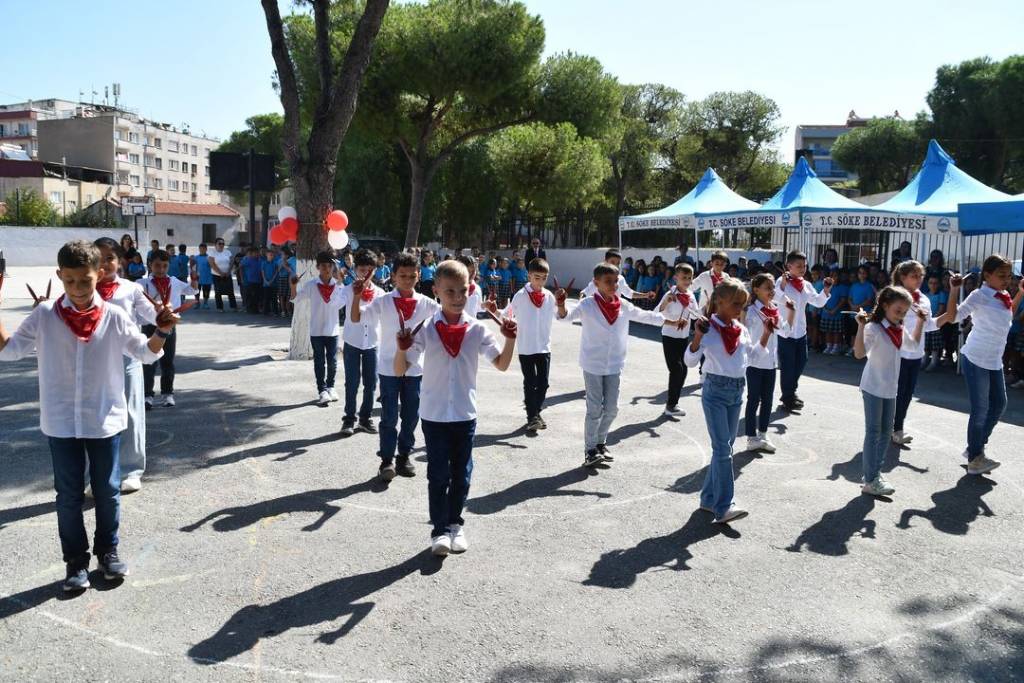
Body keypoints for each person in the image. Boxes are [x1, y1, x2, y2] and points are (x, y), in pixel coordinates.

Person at [0, 240, 178, 591]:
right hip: (61, 421)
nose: (78, 290)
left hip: (103, 418)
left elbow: (144, 354)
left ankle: (108, 552)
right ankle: (75, 563)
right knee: (67, 495)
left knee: (107, 490)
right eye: (70, 281)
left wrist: (162, 331)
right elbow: (10, 352)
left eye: (85, 280)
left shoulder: (113, 316)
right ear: (59, 277)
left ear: (100, 275)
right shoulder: (45, 315)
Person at [395, 259, 517, 557]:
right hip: (435, 413)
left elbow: (501, 365)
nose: (457, 297)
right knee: (438, 473)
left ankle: (455, 524)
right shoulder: (425, 329)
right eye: (449, 291)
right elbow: (400, 370)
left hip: (464, 413)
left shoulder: (476, 329)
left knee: (461, 473)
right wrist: (400, 348)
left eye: (463, 290)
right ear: (436, 290)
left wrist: (510, 339)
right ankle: (439, 530)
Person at [557, 262, 665, 468]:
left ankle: (600, 442)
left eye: (616, 281)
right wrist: (561, 305)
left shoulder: (623, 305)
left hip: (615, 365)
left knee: (612, 409)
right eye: (608, 281)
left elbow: (646, 316)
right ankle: (590, 449)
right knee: (594, 409)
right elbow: (566, 318)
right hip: (593, 364)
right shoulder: (587, 304)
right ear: (596, 283)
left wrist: (670, 320)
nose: (614, 285)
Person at [684, 277, 768, 524]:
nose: (739, 309)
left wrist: (765, 334)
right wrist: (697, 337)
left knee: (725, 448)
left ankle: (708, 499)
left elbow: (752, 356)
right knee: (722, 450)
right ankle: (725, 506)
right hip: (715, 391)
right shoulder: (707, 327)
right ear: (719, 302)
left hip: (737, 391)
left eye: (742, 305)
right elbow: (689, 361)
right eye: (735, 304)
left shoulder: (740, 330)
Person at [351, 252, 440, 480]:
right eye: (402, 275)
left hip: (415, 369)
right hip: (389, 369)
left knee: (411, 416)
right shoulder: (382, 302)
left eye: (412, 276)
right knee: (389, 416)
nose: (407, 280)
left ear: (419, 276)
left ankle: (404, 456)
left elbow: (445, 323)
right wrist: (356, 297)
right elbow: (356, 318)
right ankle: (387, 460)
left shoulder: (428, 304)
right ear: (393, 276)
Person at [92, 237, 158, 493]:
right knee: (94, 415)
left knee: (131, 413)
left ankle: (131, 470)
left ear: (119, 261)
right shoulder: (84, 287)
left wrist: (163, 313)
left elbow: (152, 314)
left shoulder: (130, 289)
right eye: (99, 257)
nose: (105, 263)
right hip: (92, 360)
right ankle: (94, 474)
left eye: (110, 257)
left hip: (127, 358)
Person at [955, 254, 1024, 476]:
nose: (1006, 280)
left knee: (999, 405)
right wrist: (955, 289)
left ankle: (975, 449)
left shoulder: (1002, 295)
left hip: (993, 360)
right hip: (976, 359)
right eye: (1001, 275)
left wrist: (1021, 293)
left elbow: (1008, 317)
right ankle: (976, 457)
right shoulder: (979, 295)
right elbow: (956, 315)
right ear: (987, 275)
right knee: (981, 409)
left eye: (1009, 276)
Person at [853, 286, 926, 497]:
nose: (901, 315)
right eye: (898, 310)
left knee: (886, 432)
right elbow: (859, 354)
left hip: (890, 388)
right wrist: (860, 327)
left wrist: (920, 321)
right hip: (873, 386)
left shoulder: (898, 329)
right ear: (885, 305)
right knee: (874, 431)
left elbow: (912, 347)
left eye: (904, 312)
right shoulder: (874, 328)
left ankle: (875, 473)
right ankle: (870, 478)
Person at [889, 260, 961, 445]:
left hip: (915, 353)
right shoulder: (892, 296)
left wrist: (947, 316)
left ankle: (897, 429)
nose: (919, 279)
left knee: (906, 393)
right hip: (896, 352)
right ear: (903, 277)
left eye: (921, 276)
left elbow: (929, 325)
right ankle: (885, 427)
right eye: (914, 276)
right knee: (892, 392)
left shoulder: (924, 299)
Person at [502, 257, 557, 432]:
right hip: (526, 347)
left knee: (544, 383)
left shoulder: (549, 296)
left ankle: (535, 413)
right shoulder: (520, 295)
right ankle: (532, 416)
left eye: (543, 278)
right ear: (529, 275)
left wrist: (562, 303)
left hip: (544, 346)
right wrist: (499, 314)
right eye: (536, 277)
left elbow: (560, 314)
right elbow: (507, 314)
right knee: (530, 382)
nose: (540, 281)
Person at [743, 273, 796, 454]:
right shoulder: (751, 311)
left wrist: (792, 312)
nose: (772, 291)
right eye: (768, 288)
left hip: (771, 363)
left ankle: (763, 434)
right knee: (753, 400)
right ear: (756, 290)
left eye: (773, 288)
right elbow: (745, 335)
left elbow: (786, 332)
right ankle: (751, 437)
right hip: (754, 362)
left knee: (768, 400)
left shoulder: (774, 309)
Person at [138, 250, 197, 409]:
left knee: (168, 361)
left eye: (165, 266)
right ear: (150, 265)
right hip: (150, 325)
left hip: (169, 325)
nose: (161, 269)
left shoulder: (175, 282)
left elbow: (192, 291)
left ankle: (167, 394)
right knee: (148, 361)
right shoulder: (141, 284)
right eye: (157, 265)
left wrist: (194, 277)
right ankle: (147, 395)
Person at [774, 250, 832, 411]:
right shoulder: (781, 281)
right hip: (785, 331)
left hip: (801, 331)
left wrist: (826, 290)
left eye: (804, 265)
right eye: (798, 265)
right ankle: (788, 396)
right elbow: (774, 297)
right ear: (789, 266)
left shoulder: (806, 285)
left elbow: (818, 302)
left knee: (801, 362)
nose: (802, 269)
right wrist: (784, 286)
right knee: (787, 366)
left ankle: (790, 392)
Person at [338, 250, 385, 434]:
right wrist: (338, 282)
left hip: (372, 343)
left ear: (373, 271)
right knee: (352, 382)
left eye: (368, 270)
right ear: (355, 269)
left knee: (371, 382)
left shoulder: (380, 293)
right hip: (352, 342)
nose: (364, 273)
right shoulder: (348, 290)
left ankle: (365, 418)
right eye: (361, 269)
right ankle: (349, 419)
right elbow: (334, 303)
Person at [292, 251, 347, 405]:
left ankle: (330, 386)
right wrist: (293, 286)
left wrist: (342, 284)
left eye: (330, 266)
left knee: (332, 361)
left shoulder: (337, 286)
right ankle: (321, 390)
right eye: (323, 266)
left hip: (332, 330)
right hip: (316, 330)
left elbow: (343, 302)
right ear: (318, 267)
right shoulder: (311, 285)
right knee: (319, 361)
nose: (327, 269)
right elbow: (296, 299)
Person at [657, 263, 701, 417]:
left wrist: (704, 309)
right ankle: (670, 405)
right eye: (684, 278)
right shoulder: (670, 294)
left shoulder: (690, 295)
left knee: (684, 370)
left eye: (690, 278)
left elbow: (696, 315)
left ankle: (673, 403)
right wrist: (666, 302)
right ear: (676, 278)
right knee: (677, 369)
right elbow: (656, 314)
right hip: (669, 336)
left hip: (683, 337)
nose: (687, 281)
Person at [581, 249, 654, 301]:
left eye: (618, 263)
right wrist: (580, 304)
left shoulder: (621, 279)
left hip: (615, 315)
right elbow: (585, 292)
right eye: (612, 262)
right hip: (600, 317)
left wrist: (646, 295)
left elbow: (629, 293)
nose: (615, 265)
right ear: (605, 262)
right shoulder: (599, 279)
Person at [821, 268, 850, 355]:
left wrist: (834, 310)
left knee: (836, 331)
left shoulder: (842, 287)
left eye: (835, 276)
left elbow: (843, 300)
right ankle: (829, 345)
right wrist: (825, 309)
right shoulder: (826, 287)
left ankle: (836, 346)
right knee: (828, 330)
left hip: (837, 313)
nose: (833, 278)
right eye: (831, 276)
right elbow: (822, 297)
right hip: (826, 312)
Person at [923, 274, 949, 372]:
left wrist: (933, 320)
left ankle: (934, 361)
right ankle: (924, 359)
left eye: (935, 283)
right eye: (931, 283)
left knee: (935, 344)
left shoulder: (941, 294)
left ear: (938, 284)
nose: (933, 285)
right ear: (928, 284)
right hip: (926, 322)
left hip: (936, 322)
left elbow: (942, 309)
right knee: (926, 342)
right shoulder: (925, 295)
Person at [208, 238, 237, 311]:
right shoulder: (212, 253)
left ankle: (233, 307)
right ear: (216, 245)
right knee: (218, 292)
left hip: (227, 274)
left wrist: (228, 272)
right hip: (217, 275)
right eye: (219, 243)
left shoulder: (227, 252)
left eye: (223, 244)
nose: (221, 245)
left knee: (230, 291)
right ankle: (220, 307)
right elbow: (212, 264)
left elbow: (231, 262)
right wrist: (220, 273)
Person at [456, 254, 483, 319]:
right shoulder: (454, 287)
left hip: (471, 325)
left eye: (474, 270)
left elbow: (479, 309)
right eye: (468, 271)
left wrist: (486, 305)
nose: (472, 274)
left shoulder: (477, 288)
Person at [240, 247, 263, 314]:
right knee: (250, 295)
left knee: (257, 296)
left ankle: (256, 309)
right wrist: (242, 278)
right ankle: (249, 309)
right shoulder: (248, 260)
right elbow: (241, 267)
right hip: (250, 281)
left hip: (258, 280)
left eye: (257, 253)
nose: (257, 254)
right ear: (252, 254)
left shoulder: (260, 260)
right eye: (255, 253)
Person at [261, 246, 281, 316]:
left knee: (274, 298)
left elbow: (276, 272)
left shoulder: (275, 263)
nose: (271, 256)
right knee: (266, 298)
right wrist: (266, 281)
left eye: (272, 255)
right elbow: (262, 272)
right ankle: (266, 311)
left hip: (274, 284)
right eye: (269, 255)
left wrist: (271, 281)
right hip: (266, 284)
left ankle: (275, 312)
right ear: (266, 255)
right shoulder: (263, 263)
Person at [194, 243, 214, 308]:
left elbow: (213, 266)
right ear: (199, 249)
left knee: (206, 291)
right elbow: (193, 267)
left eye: (203, 249)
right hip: (198, 278)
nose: (202, 250)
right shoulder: (196, 257)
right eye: (200, 249)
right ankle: (197, 303)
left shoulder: (209, 258)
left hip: (207, 278)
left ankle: (205, 303)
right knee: (196, 292)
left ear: (206, 249)